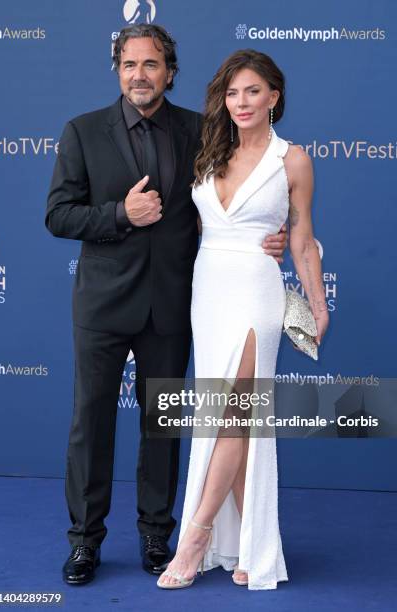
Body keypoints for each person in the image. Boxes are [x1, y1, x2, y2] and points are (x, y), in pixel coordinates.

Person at [46, 25, 287, 585]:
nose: (140, 74)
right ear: (117, 70)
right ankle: (85, 542)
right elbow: (58, 215)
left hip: (175, 306)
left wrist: (274, 236)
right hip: (104, 306)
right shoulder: (82, 131)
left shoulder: (203, 131)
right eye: (129, 64)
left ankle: (159, 535)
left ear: (169, 72)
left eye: (151, 64)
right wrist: (119, 214)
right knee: (91, 424)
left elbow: (242, 198)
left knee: (163, 426)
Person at [157, 50, 329, 590]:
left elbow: (300, 239)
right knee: (233, 419)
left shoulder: (292, 159)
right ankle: (252, 545)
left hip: (257, 288)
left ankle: (195, 538)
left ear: (274, 96)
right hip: (208, 287)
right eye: (232, 93)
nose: (241, 102)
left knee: (235, 412)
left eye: (253, 91)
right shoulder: (209, 150)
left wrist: (318, 305)